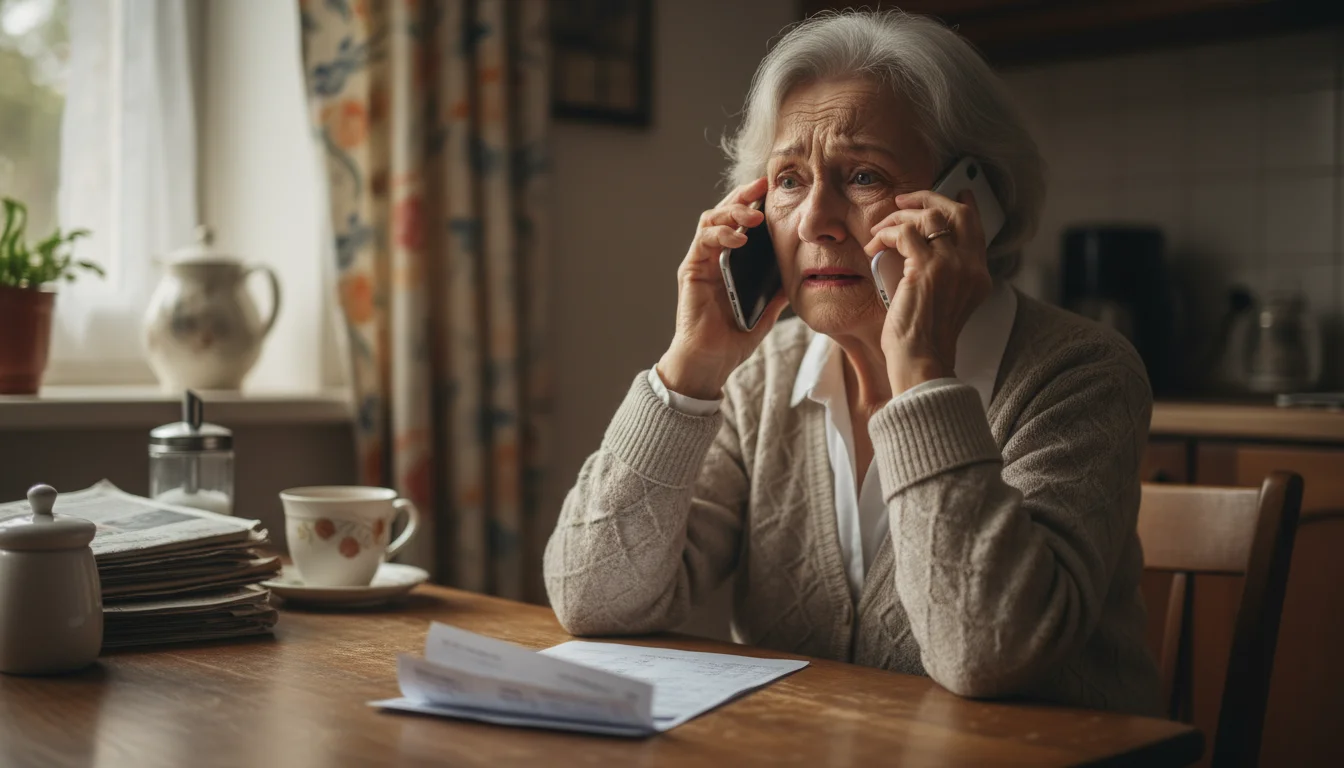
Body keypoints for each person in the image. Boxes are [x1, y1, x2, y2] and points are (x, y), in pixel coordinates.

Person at [543, 9, 1160, 715]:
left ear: (970, 205)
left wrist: (924, 372)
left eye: (862, 175)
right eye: (789, 180)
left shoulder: (1081, 373)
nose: (814, 221)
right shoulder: (761, 376)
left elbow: (988, 653)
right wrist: (691, 370)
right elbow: (592, 599)